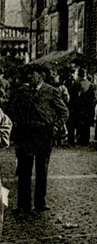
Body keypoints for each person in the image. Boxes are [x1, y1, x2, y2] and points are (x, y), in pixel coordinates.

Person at [10, 64, 69, 213]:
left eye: (33, 74)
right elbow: (13, 109)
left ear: (41, 76)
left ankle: (40, 202)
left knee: (42, 170)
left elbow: (64, 112)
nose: (30, 77)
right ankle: (23, 204)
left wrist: (56, 127)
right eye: (28, 75)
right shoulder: (22, 92)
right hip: (25, 134)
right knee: (24, 170)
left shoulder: (51, 91)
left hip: (43, 134)